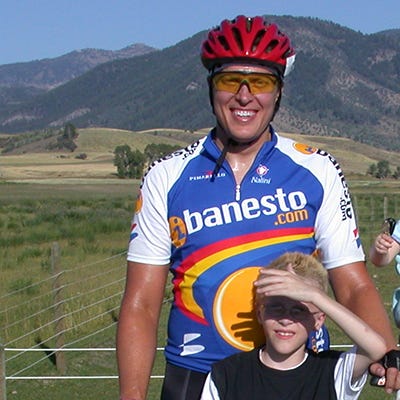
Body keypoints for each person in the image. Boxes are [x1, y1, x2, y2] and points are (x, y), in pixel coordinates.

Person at [116, 15, 400, 400]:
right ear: (211, 87)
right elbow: (142, 305)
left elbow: (353, 285)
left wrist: (388, 352)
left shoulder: (317, 170)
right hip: (196, 375)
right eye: (230, 80)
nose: (245, 96)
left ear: (278, 92)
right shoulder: (166, 176)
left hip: (295, 375)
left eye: (261, 83)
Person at [200, 252, 387, 400]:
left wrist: (315, 296)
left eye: (299, 310)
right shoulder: (227, 375)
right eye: (277, 308)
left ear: (319, 320)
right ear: (259, 313)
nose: (286, 319)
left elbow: (376, 347)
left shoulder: (332, 371)